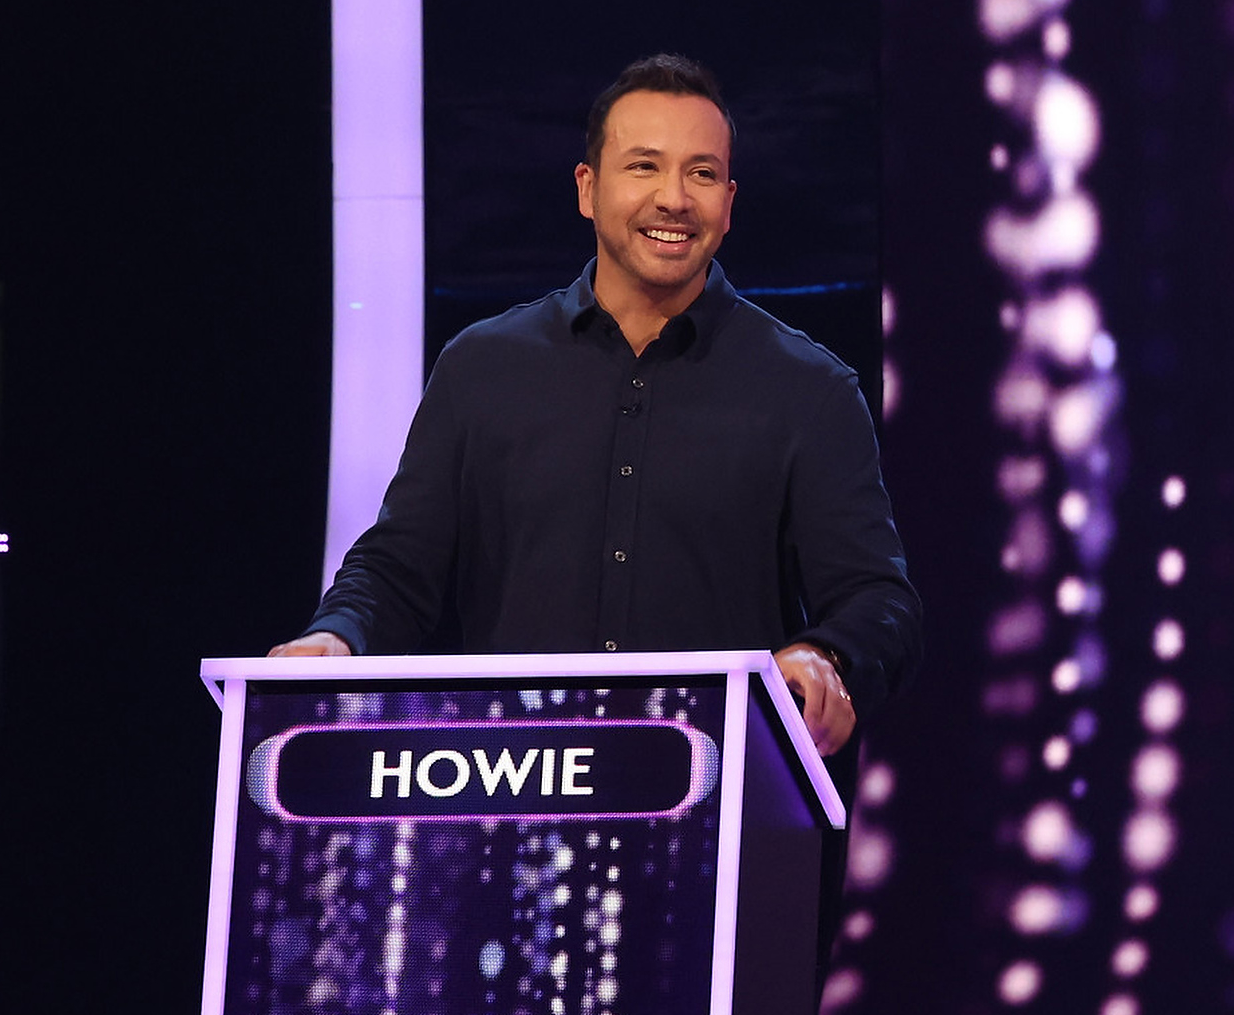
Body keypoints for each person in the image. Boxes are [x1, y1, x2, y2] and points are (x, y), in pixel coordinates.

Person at [275, 55, 919, 748]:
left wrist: (825, 656)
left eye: (701, 173)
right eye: (643, 166)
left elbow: (878, 600)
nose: (673, 197)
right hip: (514, 793)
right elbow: (398, 568)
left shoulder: (808, 390)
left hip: (718, 797)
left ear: (728, 204)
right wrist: (337, 636)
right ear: (588, 188)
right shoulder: (482, 369)